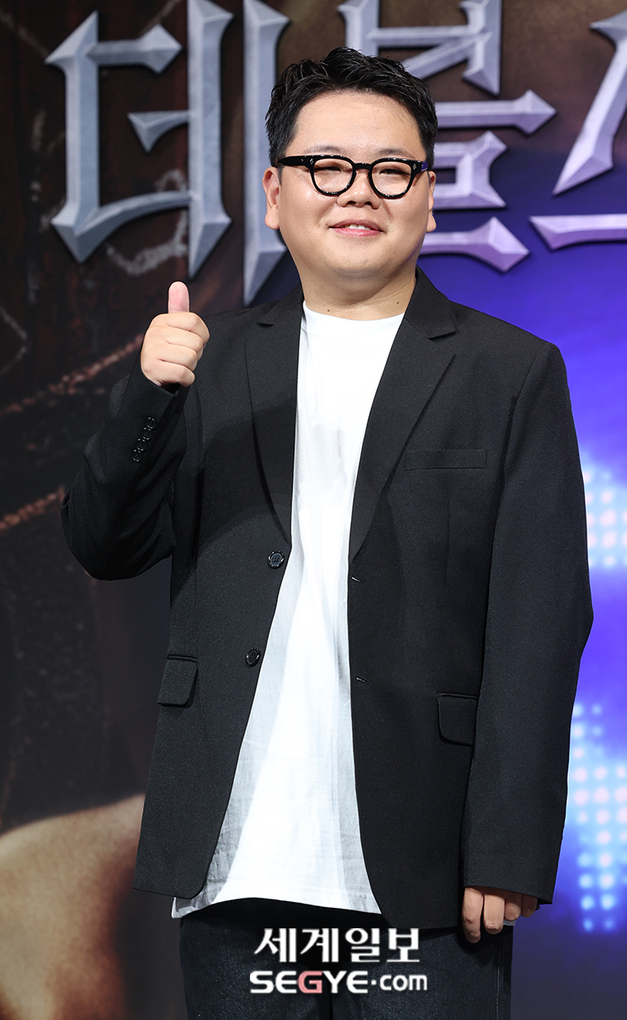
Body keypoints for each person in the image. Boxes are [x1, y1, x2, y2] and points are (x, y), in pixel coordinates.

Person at [62, 47, 592, 1019]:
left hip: (427, 869)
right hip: (238, 862)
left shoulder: (510, 374)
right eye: (327, 167)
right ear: (276, 194)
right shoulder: (207, 364)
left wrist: (507, 845)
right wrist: (147, 395)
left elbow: (539, 620)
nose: (358, 191)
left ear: (428, 196)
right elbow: (104, 543)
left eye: (390, 169)